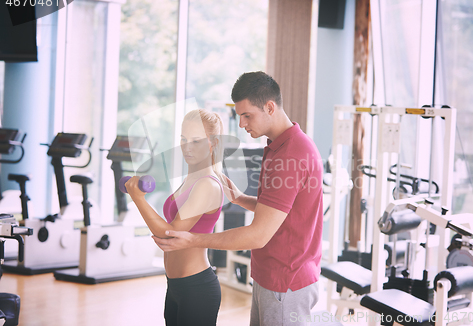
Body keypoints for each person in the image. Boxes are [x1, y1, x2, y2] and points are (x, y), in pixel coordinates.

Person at [152, 71, 324, 326]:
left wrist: (193, 240)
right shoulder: (278, 147)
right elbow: (278, 212)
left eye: (247, 115)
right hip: (270, 276)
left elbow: (258, 235)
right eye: (239, 116)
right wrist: (241, 198)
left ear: (269, 107)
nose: (242, 124)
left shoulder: (291, 154)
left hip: (285, 283)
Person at [125, 109, 224, 326]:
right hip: (175, 285)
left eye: (196, 141)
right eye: (183, 139)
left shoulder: (207, 184)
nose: (187, 147)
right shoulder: (190, 179)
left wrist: (139, 199)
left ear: (213, 143)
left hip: (197, 288)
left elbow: (171, 234)